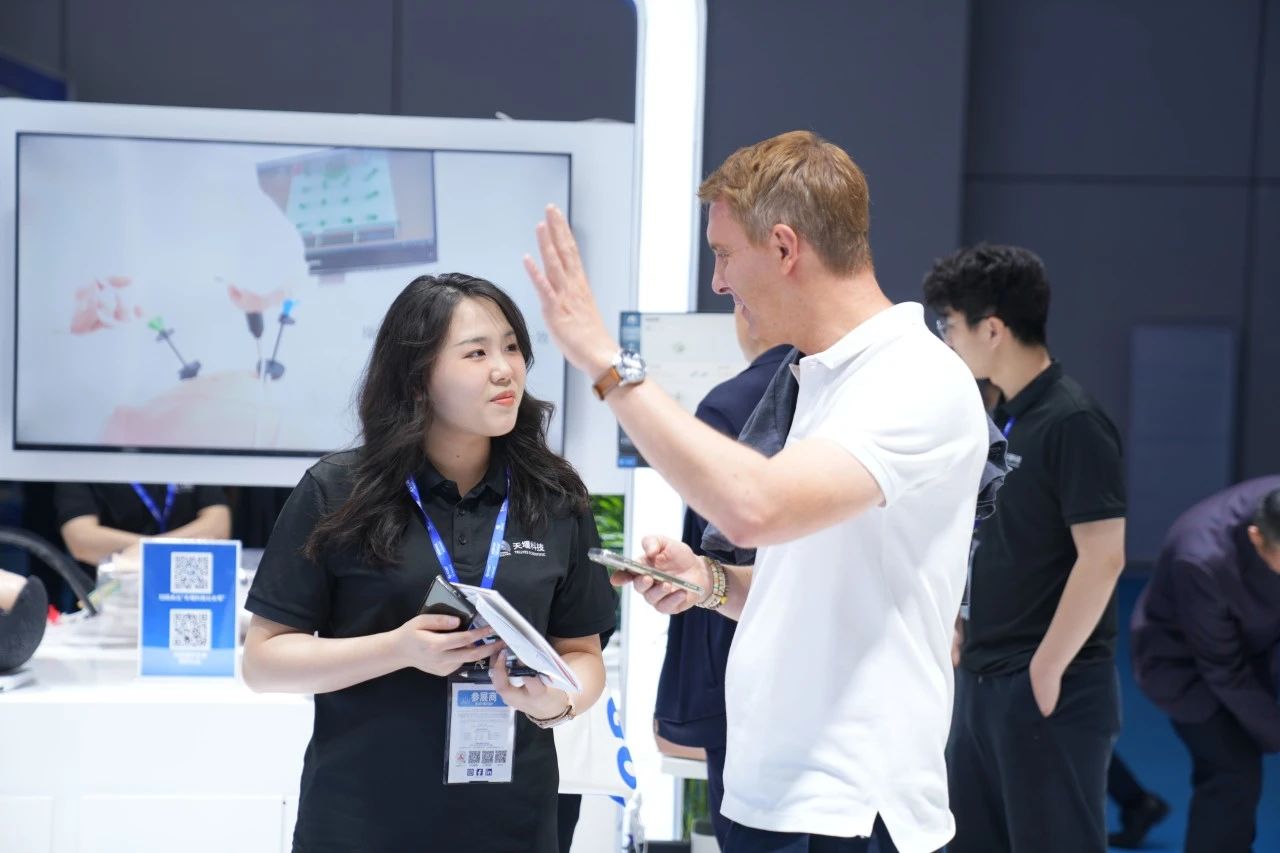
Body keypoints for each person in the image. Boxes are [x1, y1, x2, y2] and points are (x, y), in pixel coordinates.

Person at [524, 130, 991, 853]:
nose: (718, 283)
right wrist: (708, 581)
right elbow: (809, 584)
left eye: (723, 254)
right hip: (773, 790)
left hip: (847, 805)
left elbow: (755, 508)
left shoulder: (914, 378)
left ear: (783, 247)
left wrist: (606, 364)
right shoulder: (822, 375)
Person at [241, 273, 616, 853]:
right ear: (418, 377)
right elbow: (264, 663)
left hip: (514, 823)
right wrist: (398, 649)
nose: (505, 370)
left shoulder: (555, 498)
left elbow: (583, 656)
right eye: (476, 353)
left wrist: (558, 703)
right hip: (359, 822)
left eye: (512, 347)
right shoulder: (338, 491)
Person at [923, 244, 1128, 853]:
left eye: (950, 325)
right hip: (984, 675)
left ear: (992, 330)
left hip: (1044, 683)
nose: (945, 340)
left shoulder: (1073, 421)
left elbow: (1104, 556)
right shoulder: (1007, 415)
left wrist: (1047, 669)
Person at [653, 304, 790, 848]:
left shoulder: (729, 406)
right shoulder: (854, 396)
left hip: (742, 680)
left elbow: (711, 556)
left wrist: (689, 701)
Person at [1130, 477, 1280, 853]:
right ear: (1257, 538)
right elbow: (1224, 668)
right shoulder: (1201, 558)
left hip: (1265, 635)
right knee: (1233, 771)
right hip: (1186, 664)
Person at [56, 482, 231, 580]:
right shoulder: (87, 456)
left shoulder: (188, 450)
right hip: (113, 594)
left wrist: (148, 549)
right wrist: (171, 548)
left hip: (187, 585)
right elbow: (81, 539)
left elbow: (218, 527)